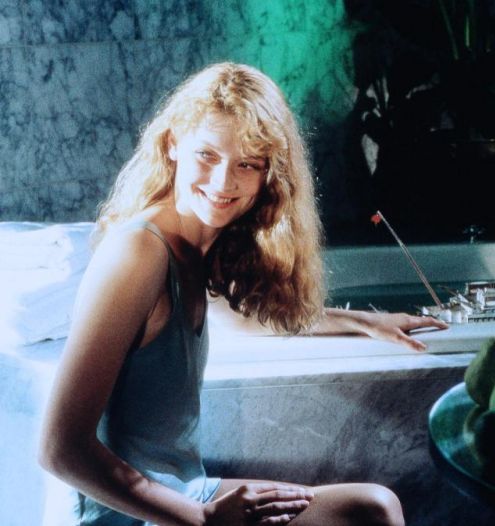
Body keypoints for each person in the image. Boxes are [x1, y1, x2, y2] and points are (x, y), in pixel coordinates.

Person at [38, 62, 447, 526]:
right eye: (207, 155)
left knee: (372, 508)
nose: (223, 182)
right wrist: (203, 519)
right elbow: (58, 449)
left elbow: (242, 315)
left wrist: (364, 321)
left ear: (269, 174)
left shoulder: (194, 245)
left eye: (247, 164)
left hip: (185, 492)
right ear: (173, 144)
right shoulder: (139, 252)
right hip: (128, 515)